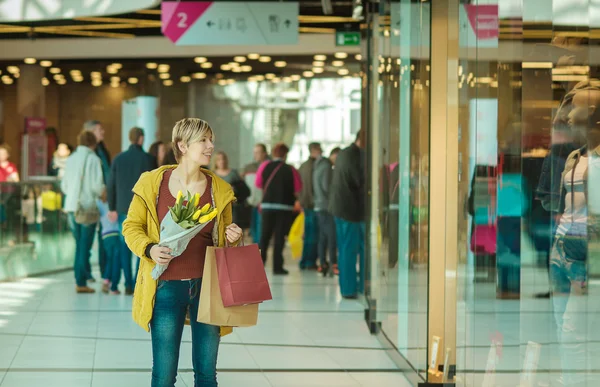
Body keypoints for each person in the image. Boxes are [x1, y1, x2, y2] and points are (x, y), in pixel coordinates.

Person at [122, 118, 243, 387]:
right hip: (165, 287)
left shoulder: (219, 190)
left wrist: (233, 238)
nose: (211, 146)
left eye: (211, 139)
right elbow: (131, 227)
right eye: (204, 140)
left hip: (208, 288)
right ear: (182, 145)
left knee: (206, 374)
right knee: (164, 375)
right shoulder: (152, 183)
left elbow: (222, 239)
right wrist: (150, 248)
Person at [106, 127, 155, 295]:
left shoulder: (118, 159)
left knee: (124, 245)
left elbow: (110, 185)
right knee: (142, 246)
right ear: (141, 139)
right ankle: (136, 283)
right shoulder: (149, 159)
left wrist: (111, 207)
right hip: (144, 209)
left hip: (122, 208)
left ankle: (126, 284)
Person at [60, 130, 104, 294]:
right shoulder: (93, 159)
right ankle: (81, 281)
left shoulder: (70, 159)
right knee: (84, 246)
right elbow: (96, 187)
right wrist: (103, 193)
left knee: (79, 244)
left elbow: (64, 186)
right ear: (93, 143)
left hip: (71, 207)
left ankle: (81, 277)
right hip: (86, 208)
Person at [329, 130, 366, 299]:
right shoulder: (355, 155)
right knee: (349, 250)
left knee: (346, 249)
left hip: (341, 208)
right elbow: (359, 180)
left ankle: (349, 287)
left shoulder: (345, 153)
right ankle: (349, 289)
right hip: (349, 210)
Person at [256, 143, 302, 275]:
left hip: (267, 206)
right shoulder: (290, 169)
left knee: (264, 237)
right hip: (284, 207)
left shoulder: (265, 166)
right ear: (285, 154)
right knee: (279, 237)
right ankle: (277, 267)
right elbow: (298, 187)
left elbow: (258, 183)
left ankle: (259, 265)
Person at [85, 120, 111, 282]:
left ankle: (104, 271)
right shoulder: (87, 153)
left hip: (105, 198)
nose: (102, 132)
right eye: (99, 130)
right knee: (86, 238)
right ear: (91, 132)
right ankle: (85, 272)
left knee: (105, 235)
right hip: (92, 198)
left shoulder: (102, 149)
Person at [313, 147, 338, 276]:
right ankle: (333, 263)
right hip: (326, 206)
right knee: (331, 235)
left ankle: (322, 263)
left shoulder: (318, 166)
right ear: (334, 155)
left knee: (322, 236)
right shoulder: (327, 167)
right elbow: (326, 186)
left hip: (318, 205)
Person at [297, 143, 322, 270]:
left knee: (308, 234)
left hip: (305, 203)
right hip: (313, 204)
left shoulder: (303, 166)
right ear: (315, 150)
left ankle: (304, 261)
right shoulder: (316, 166)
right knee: (313, 235)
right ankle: (310, 262)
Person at [96, 193, 123, 294]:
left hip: (105, 236)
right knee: (116, 261)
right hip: (116, 235)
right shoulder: (117, 204)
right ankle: (113, 287)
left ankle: (106, 280)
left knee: (109, 259)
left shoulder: (100, 203)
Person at [214, 151, 250, 225]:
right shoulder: (212, 174)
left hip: (233, 206)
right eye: (219, 159)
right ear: (215, 162)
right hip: (217, 207)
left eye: (223, 159)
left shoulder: (233, 173)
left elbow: (244, 189)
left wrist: (235, 189)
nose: (222, 161)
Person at [243, 143, 269, 244]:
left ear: (264, 153)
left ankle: (259, 251)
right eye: (255, 152)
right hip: (251, 203)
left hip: (262, 204)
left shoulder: (269, 167)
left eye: (258, 152)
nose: (256, 155)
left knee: (260, 230)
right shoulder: (249, 167)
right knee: (253, 228)